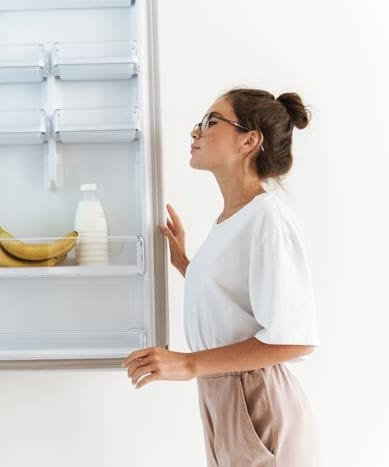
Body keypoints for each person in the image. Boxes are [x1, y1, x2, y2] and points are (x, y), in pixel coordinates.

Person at [121, 88, 321, 466]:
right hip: (223, 395)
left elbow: (295, 341)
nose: (196, 132)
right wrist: (186, 265)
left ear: (249, 140)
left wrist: (188, 363)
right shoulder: (233, 219)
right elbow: (235, 302)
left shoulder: (267, 219)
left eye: (211, 122)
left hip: (255, 399)